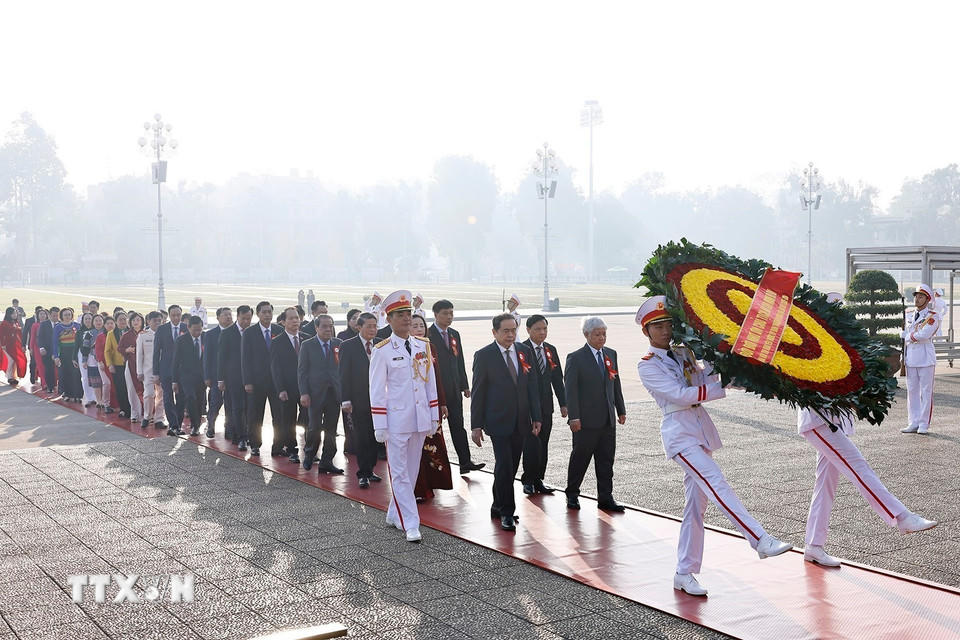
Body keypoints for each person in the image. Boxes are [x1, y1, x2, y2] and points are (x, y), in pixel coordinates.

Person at [636, 296, 792, 597]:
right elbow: (681, 395)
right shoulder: (647, 365)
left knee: (696, 507)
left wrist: (721, 363)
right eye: (657, 326)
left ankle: (684, 572)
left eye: (667, 324)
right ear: (646, 331)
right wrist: (720, 386)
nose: (665, 330)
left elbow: (704, 377)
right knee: (715, 481)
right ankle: (759, 539)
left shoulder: (683, 352)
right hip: (679, 434)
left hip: (699, 430)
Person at [369, 290, 439, 543]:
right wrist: (380, 424)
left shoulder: (423, 345)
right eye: (400, 315)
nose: (407, 318)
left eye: (408, 313)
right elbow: (377, 390)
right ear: (388, 319)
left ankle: (393, 513)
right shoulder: (382, 350)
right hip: (396, 421)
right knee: (399, 473)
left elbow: (430, 383)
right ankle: (411, 523)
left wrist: (433, 415)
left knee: (411, 471)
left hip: (420, 419)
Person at [471, 313, 541, 532]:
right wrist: (476, 425)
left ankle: (497, 505)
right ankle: (507, 512)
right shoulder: (484, 355)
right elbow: (478, 392)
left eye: (513, 330)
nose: (511, 335)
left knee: (510, 468)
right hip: (497, 421)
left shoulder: (524, 351)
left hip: (521, 421)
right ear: (495, 332)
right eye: (506, 331)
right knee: (504, 465)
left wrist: (536, 416)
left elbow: (532, 387)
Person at [563, 316, 627, 512]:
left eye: (604, 334)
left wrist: (621, 409)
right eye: (597, 334)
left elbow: (615, 383)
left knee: (606, 461)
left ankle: (605, 497)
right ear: (586, 335)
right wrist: (574, 417)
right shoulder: (576, 358)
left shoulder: (611, 354)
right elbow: (570, 391)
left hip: (607, 420)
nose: (602, 338)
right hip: (585, 421)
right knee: (580, 459)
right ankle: (572, 493)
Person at [428, 299, 483, 473]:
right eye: (445, 313)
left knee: (458, 426)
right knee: (435, 430)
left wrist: (464, 385)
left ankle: (465, 462)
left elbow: (459, 360)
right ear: (435, 315)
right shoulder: (427, 335)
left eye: (451, 313)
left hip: (453, 390)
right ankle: (436, 466)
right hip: (436, 391)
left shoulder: (454, 334)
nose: (449, 317)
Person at [521, 314, 567, 495]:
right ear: (528, 330)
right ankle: (528, 480)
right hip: (528, 407)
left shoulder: (550, 350)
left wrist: (563, 403)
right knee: (531, 443)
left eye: (545, 329)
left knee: (544, 443)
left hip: (546, 406)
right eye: (538, 329)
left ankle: (539, 478)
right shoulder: (521, 350)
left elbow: (557, 379)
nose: (542, 332)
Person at [411, 314, 452, 501]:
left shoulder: (430, 347)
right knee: (416, 449)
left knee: (434, 446)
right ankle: (419, 488)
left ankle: (433, 483)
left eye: (421, 325)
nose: (419, 329)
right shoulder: (405, 348)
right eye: (414, 326)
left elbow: (436, 377)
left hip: (431, 406)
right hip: (413, 407)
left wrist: (441, 403)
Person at [339, 312, 382, 488]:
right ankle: (363, 473)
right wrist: (345, 400)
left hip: (379, 400)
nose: (373, 329)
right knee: (362, 437)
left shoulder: (381, 344)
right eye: (369, 326)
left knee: (375, 436)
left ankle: (371, 469)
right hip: (358, 400)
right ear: (359, 327)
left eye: (375, 326)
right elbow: (343, 374)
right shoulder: (348, 346)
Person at [298, 314, 343, 473]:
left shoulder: (338, 344)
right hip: (315, 394)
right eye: (324, 326)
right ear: (316, 328)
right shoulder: (307, 345)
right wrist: (304, 393)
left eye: (330, 326)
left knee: (331, 429)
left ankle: (327, 460)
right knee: (314, 427)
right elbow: (302, 371)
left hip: (334, 393)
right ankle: (310, 454)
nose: (328, 329)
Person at [241, 301, 281, 456]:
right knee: (255, 415)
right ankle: (255, 444)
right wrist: (247, 381)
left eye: (269, 312)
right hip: (256, 382)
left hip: (276, 382)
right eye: (264, 312)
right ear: (258, 314)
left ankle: (278, 445)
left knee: (279, 415)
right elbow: (245, 359)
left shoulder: (279, 330)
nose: (267, 315)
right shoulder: (249, 333)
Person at [901, 284, 940, 435]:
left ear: (927, 299)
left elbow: (924, 335)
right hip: (911, 358)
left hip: (925, 358)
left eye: (921, 296)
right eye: (916, 296)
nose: (917, 299)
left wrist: (907, 337)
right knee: (912, 392)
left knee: (926, 392)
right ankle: (913, 422)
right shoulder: (909, 314)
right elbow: (907, 331)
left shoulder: (932, 316)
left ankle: (923, 423)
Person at [270, 307, 305, 463]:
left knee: (308, 418)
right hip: (288, 388)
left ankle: (310, 449)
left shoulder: (307, 339)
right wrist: (281, 389)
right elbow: (275, 368)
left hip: (305, 387)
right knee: (289, 419)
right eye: (291, 318)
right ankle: (292, 449)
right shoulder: (277, 342)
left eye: (297, 318)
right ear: (283, 322)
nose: (295, 321)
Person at [219, 305, 253, 448]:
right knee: (237, 408)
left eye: (249, 319)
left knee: (250, 408)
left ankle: (249, 434)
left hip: (251, 377)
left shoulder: (253, 332)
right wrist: (221, 379)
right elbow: (221, 358)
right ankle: (241, 437)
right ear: (237, 317)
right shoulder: (227, 333)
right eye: (243, 318)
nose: (246, 322)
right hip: (234, 377)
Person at [154, 305, 187, 433]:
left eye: (178, 315)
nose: (176, 317)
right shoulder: (162, 329)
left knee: (181, 398)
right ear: (169, 316)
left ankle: (178, 424)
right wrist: (156, 373)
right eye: (173, 315)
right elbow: (156, 352)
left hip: (182, 370)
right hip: (166, 369)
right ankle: (173, 425)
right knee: (168, 398)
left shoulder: (186, 328)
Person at [172, 316, 207, 436]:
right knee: (190, 397)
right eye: (195, 330)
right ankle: (194, 425)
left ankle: (196, 424)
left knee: (199, 400)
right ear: (188, 327)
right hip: (186, 376)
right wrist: (174, 381)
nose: (198, 332)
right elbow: (175, 361)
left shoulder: (206, 337)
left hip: (201, 376)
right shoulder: (181, 340)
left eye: (200, 329)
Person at [203, 307, 233, 439]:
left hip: (231, 374)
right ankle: (211, 425)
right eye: (225, 315)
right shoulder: (210, 334)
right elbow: (207, 357)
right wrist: (207, 376)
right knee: (215, 401)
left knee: (231, 403)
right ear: (218, 318)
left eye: (230, 314)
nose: (228, 317)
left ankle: (229, 427)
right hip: (215, 375)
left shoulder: (236, 332)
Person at [137, 312, 165, 429]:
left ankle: (159, 419)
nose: (157, 323)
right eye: (154, 320)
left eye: (159, 320)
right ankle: (147, 416)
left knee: (161, 395)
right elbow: (139, 354)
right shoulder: (143, 335)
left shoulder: (165, 333)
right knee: (149, 394)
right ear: (148, 321)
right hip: (148, 370)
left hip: (162, 369)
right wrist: (139, 371)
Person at [53, 308, 83, 402]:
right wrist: (56, 356)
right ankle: (67, 393)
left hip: (75, 352)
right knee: (65, 373)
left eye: (69, 314)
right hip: (64, 353)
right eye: (65, 315)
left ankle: (78, 395)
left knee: (76, 373)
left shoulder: (77, 326)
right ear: (61, 316)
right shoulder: (57, 327)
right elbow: (54, 342)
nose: (67, 316)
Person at [105, 313, 131, 418]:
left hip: (130, 364)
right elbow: (107, 351)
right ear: (116, 321)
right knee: (120, 388)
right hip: (118, 365)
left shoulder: (131, 332)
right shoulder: (111, 334)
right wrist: (110, 364)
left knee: (131, 388)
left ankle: (133, 409)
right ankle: (123, 409)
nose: (123, 321)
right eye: (120, 319)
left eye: (124, 319)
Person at [121, 313, 144, 425]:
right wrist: (127, 350)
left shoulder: (146, 333)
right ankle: (134, 414)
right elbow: (119, 348)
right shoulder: (126, 335)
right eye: (134, 320)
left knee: (146, 390)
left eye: (138, 320)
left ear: (142, 321)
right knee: (131, 389)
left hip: (145, 366)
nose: (136, 322)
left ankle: (146, 414)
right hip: (130, 365)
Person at [80, 315, 105, 410]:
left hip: (104, 359)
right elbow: (85, 348)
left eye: (100, 320)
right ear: (93, 322)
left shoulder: (106, 332)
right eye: (96, 320)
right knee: (95, 381)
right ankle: (99, 401)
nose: (98, 322)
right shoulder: (89, 333)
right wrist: (84, 360)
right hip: (92, 359)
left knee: (104, 381)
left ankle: (105, 400)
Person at [0, 308, 27, 386]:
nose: (15, 315)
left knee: (15, 361)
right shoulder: (4, 323)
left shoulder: (15, 322)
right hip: (6, 346)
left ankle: (13, 376)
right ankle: (9, 377)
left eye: (15, 313)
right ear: (9, 314)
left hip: (14, 345)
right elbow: (1, 335)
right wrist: (3, 345)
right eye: (13, 313)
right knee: (10, 360)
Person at [95, 317, 115, 413]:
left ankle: (115, 404)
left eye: (112, 323)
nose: (110, 325)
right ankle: (106, 404)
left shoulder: (116, 335)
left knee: (115, 385)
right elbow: (98, 350)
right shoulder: (100, 336)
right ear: (104, 325)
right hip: (103, 363)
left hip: (115, 363)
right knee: (107, 383)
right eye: (108, 323)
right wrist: (100, 362)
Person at [77, 312, 97, 406]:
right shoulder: (79, 332)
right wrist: (74, 358)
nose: (88, 320)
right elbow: (76, 346)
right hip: (82, 355)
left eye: (90, 318)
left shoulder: (96, 331)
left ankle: (96, 397)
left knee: (95, 376)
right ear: (83, 321)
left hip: (94, 355)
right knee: (85, 377)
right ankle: (89, 398)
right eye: (86, 319)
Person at [28, 309, 50, 391]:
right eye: (40, 314)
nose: (42, 315)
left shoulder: (49, 324)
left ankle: (49, 382)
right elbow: (32, 337)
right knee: (40, 365)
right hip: (37, 348)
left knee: (47, 365)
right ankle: (44, 383)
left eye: (44, 314)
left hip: (48, 347)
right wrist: (31, 348)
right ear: (37, 316)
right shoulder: (35, 325)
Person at [37, 309, 56, 392]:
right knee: (49, 369)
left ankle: (61, 387)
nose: (55, 317)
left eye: (57, 315)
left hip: (59, 350)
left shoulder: (61, 324)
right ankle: (50, 386)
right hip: (47, 351)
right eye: (53, 315)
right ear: (49, 315)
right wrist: (41, 347)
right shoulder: (44, 324)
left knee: (60, 370)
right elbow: (40, 337)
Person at [21, 306, 41, 385]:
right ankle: (32, 375)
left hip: (42, 345)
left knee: (41, 361)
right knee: (33, 361)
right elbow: (25, 333)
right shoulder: (29, 320)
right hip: (32, 344)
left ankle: (39, 375)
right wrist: (23, 345)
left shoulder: (45, 320)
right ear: (35, 313)